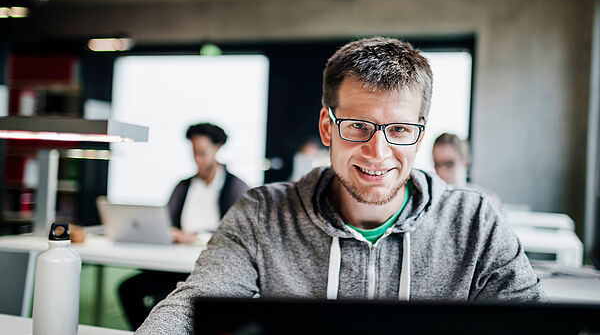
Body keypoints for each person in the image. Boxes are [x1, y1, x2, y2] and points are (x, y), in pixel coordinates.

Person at [135, 37, 545, 334]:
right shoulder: (262, 214)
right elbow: (188, 308)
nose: (378, 152)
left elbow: (534, 323)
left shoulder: (475, 220)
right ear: (327, 128)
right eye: (358, 127)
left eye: (399, 129)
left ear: (419, 135)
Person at [119, 123, 249, 329]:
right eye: (194, 153)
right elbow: (165, 221)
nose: (197, 160)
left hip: (210, 269)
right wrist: (169, 232)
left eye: (202, 153)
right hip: (175, 265)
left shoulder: (236, 188)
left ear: (218, 148)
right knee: (129, 288)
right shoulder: (183, 186)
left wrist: (196, 237)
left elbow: (240, 234)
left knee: (177, 299)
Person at [432, 132, 502, 209]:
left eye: (448, 164)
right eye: (437, 164)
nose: (441, 171)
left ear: (465, 161)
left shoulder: (486, 201)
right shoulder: (431, 201)